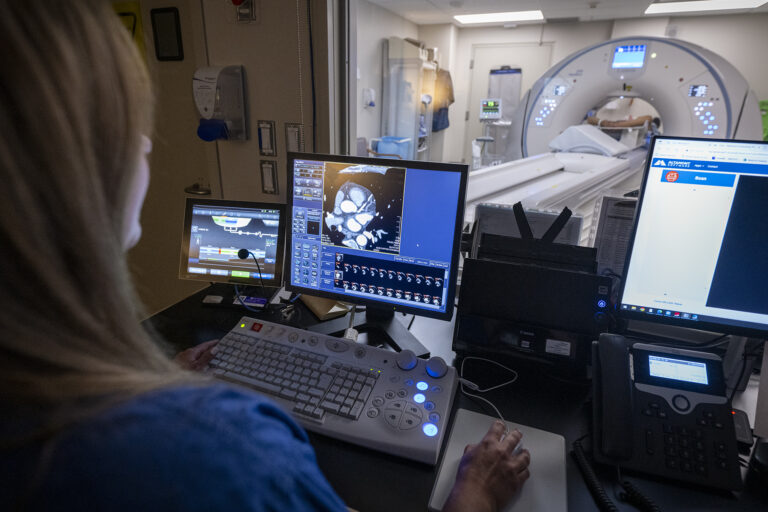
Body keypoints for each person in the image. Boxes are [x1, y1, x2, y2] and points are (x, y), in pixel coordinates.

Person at [0, 2, 530, 511]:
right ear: (75, 174)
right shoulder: (227, 441)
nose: (143, 144)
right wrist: (476, 494)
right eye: (123, 126)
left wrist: (166, 374)